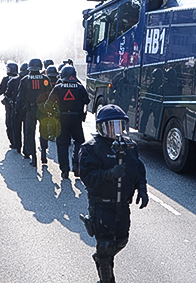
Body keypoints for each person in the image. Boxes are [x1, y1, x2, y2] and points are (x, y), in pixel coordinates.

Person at [78, 104, 149, 283]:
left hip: (122, 205)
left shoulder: (130, 147)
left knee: (122, 240)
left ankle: (102, 258)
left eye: (118, 126)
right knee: (105, 246)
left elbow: (138, 168)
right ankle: (106, 276)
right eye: (110, 126)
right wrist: (109, 174)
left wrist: (142, 188)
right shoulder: (91, 148)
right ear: (101, 127)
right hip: (102, 205)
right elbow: (87, 176)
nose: (114, 131)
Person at [47, 66, 90, 179]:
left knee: (62, 144)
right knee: (79, 141)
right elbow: (87, 100)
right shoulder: (80, 87)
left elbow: (48, 105)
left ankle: (64, 170)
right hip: (76, 119)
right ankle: (76, 166)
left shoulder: (58, 87)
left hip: (61, 119)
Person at [16, 58, 52, 166]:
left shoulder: (25, 80)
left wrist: (18, 110)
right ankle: (44, 155)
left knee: (29, 133)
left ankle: (33, 157)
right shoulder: (45, 79)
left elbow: (20, 97)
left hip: (30, 110)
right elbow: (49, 94)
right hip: (43, 109)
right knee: (43, 132)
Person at [6, 63, 28, 154]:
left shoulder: (13, 81)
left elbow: (7, 94)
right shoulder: (28, 81)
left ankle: (17, 146)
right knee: (27, 130)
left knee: (16, 128)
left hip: (15, 107)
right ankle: (26, 149)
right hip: (27, 108)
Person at [0, 62, 19, 149]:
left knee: (9, 123)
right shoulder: (20, 79)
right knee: (17, 124)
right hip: (18, 104)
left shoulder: (6, 79)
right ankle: (18, 142)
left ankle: (13, 142)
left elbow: (0, 92)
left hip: (8, 104)